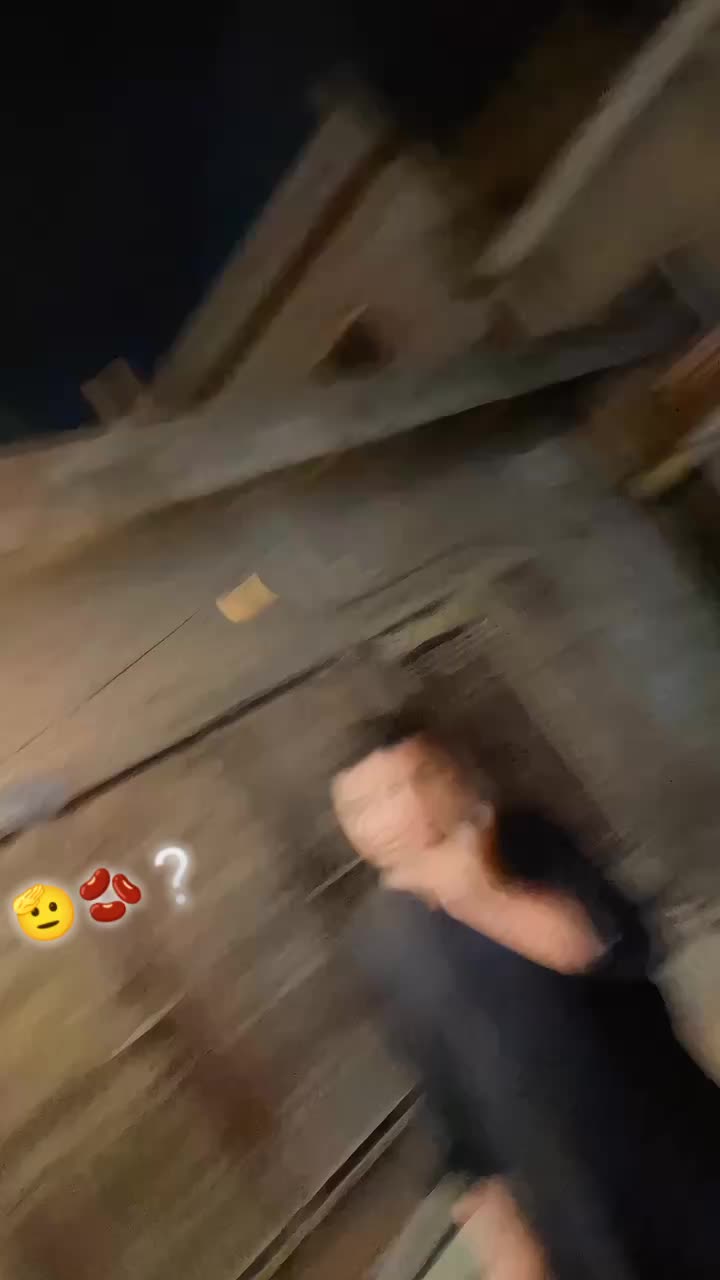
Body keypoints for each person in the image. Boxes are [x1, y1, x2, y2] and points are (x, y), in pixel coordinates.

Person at [332, 709, 720, 1280]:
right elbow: (447, 1100)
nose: (399, 811)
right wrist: (502, 1239)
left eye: (412, 782)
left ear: (453, 775)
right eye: (364, 806)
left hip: (674, 1148)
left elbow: (619, 949)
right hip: (572, 1214)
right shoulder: (378, 938)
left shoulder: (525, 841)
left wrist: (478, 894)